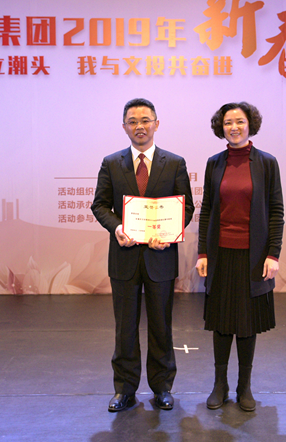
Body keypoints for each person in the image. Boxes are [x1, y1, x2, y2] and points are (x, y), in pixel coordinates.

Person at [92, 98, 195, 412]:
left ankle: (162, 387)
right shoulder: (111, 162)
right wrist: (117, 227)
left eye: (145, 120)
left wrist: (168, 234)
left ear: (156, 124)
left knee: (161, 326)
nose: (140, 126)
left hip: (160, 258)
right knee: (124, 328)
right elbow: (100, 205)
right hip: (123, 257)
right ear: (124, 127)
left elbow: (186, 207)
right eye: (133, 121)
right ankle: (124, 390)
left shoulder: (174, 163)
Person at [195, 101, 284, 412]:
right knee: (221, 323)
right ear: (221, 127)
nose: (234, 127)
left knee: (246, 324)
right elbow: (207, 210)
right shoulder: (214, 163)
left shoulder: (267, 163)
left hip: (253, 257)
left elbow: (276, 212)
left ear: (250, 125)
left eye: (240, 121)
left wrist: (273, 254)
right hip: (220, 254)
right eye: (228, 122)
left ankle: (244, 387)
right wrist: (203, 252)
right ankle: (219, 385)